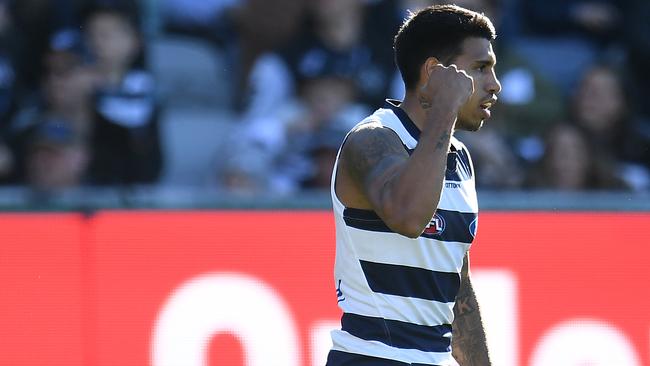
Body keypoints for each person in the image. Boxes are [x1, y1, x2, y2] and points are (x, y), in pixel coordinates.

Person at [326, 4, 500, 365]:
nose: (494, 84)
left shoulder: (459, 157)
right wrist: (444, 110)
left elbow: (458, 292)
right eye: (481, 68)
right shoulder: (372, 139)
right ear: (435, 73)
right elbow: (408, 216)